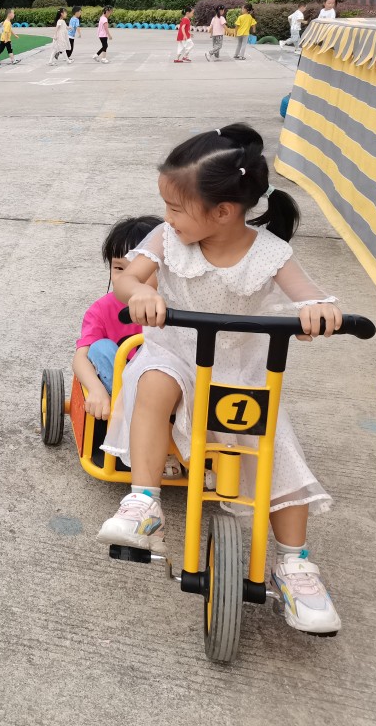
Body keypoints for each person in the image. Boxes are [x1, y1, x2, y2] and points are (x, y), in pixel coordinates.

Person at [98, 123, 346, 635]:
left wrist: (318, 311)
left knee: (277, 448)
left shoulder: (270, 253)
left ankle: (295, 563)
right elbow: (128, 277)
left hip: (241, 372)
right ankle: (144, 502)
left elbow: (311, 295)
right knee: (154, 382)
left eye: (175, 207)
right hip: (176, 354)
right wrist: (139, 292)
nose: (166, 217)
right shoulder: (167, 240)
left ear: (224, 212)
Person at [72, 215, 163, 420]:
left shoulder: (174, 306)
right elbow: (80, 357)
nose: (127, 279)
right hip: (119, 392)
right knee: (100, 348)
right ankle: (128, 412)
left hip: (164, 388)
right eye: (119, 268)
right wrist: (96, 389)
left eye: (140, 271)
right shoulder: (102, 310)